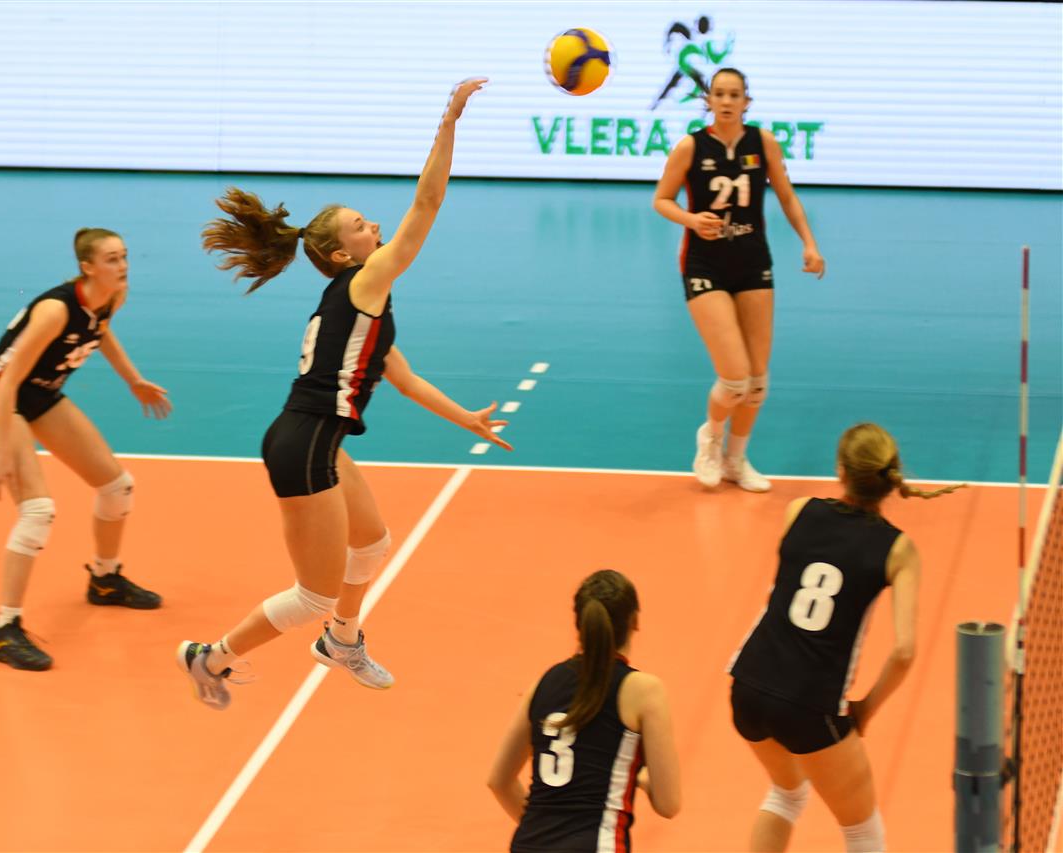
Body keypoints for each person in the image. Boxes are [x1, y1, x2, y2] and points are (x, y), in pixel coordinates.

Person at [177, 78, 509, 709]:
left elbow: (403, 379)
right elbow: (428, 203)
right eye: (362, 225)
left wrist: (466, 418)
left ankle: (342, 641)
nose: (375, 225)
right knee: (313, 596)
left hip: (315, 440)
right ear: (340, 253)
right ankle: (210, 657)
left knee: (373, 543)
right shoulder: (364, 282)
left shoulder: (362, 306)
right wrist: (450, 121)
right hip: (304, 445)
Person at [727, 423, 964, 851]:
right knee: (861, 830)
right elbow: (904, 651)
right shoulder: (897, 549)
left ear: (841, 471)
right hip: (810, 703)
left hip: (748, 684)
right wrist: (866, 708)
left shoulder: (798, 510)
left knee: (786, 794)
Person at [0, 228, 172, 671]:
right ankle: (4, 629)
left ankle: (104, 579)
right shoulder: (55, 310)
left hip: (41, 394)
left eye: (124, 256)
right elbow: (6, 381)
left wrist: (133, 380)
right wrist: (2, 452)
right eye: (112, 259)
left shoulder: (112, 296)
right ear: (87, 267)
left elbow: (100, 332)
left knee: (117, 487)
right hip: (0, 399)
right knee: (37, 510)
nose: (123, 266)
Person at [652, 67, 825, 493]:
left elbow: (786, 195)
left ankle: (736, 459)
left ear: (747, 102)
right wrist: (692, 220)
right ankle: (711, 436)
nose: (727, 101)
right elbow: (662, 200)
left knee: (757, 383)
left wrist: (809, 243)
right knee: (734, 378)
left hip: (753, 263)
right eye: (720, 94)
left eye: (735, 94)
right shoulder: (690, 147)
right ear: (708, 100)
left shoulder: (762, 143)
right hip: (704, 267)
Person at [488, 570, 681, 852]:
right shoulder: (644, 691)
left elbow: (499, 781)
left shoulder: (543, 684)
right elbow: (669, 804)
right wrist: (643, 777)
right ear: (635, 621)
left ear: (580, 625)